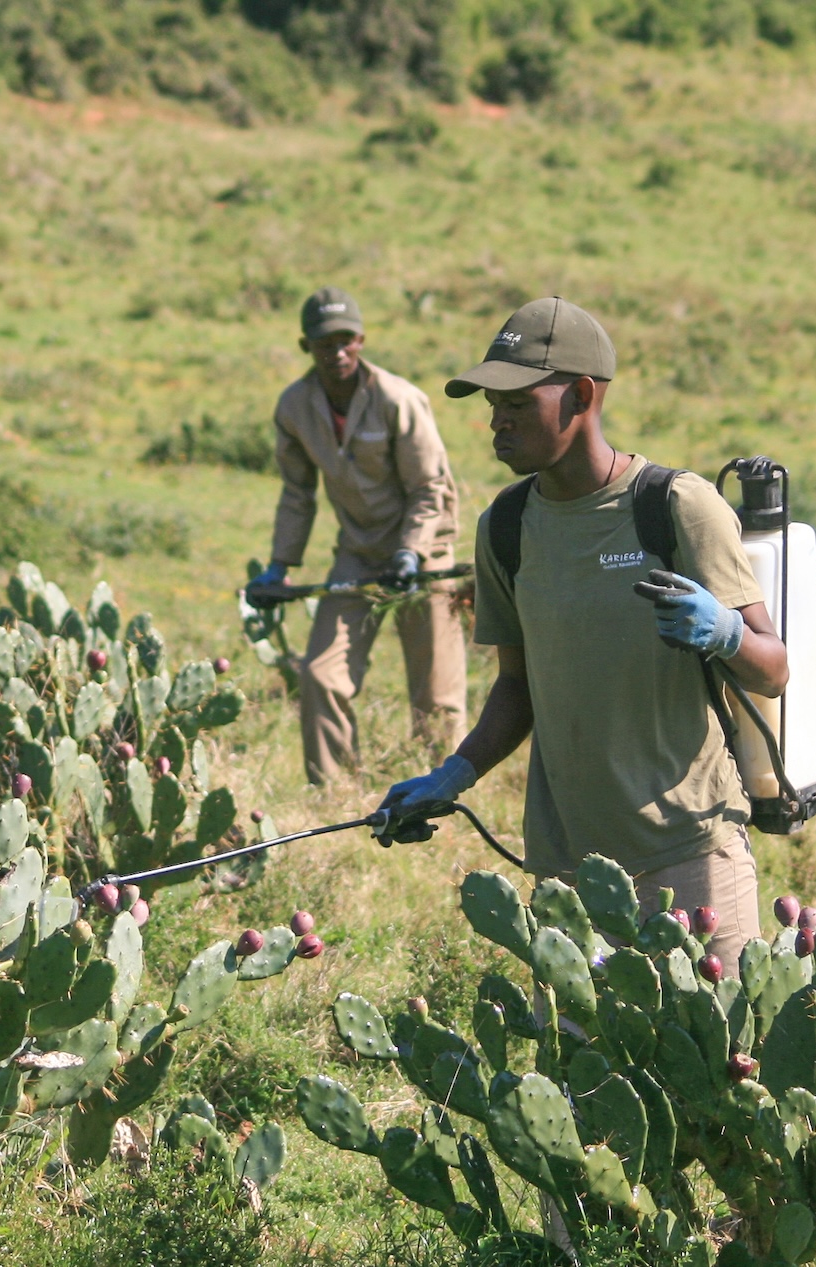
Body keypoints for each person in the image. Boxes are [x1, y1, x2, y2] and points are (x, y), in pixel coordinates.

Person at [378, 297, 788, 967]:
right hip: (570, 871)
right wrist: (455, 772)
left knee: (716, 1063)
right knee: (586, 1070)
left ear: (581, 395)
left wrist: (725, 634)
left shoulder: (676, 507)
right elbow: (518, 685)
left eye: (515, 402)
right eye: (491, 403)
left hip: (689, 853)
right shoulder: (505, 528)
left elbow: (774, 668)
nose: (496, 421)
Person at [251, 286, 466, 785]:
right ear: (307, 346)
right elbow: (296, 494)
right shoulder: (296, 406)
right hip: (358, 553)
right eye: (325, 343)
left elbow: (431, 489)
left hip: (425, 553)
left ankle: (445, 795)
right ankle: (335, 797)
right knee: (320, 675)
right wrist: (279, 567)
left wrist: (412, 554)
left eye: (346, 340)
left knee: (436, 696)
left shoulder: (398, 399)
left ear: (362, 340)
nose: (338, 351)